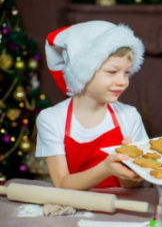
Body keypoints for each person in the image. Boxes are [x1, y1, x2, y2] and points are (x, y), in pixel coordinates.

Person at [36, 21, 149, 190]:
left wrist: (129, 169)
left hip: (119, 209)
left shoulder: (129, 116)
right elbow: (62, 184)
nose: (123, 81)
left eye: (127, 72)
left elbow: (130, 185)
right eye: (112, 72)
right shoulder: (51, 119)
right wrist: (106, 168)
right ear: (83, 73)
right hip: (73, 212)